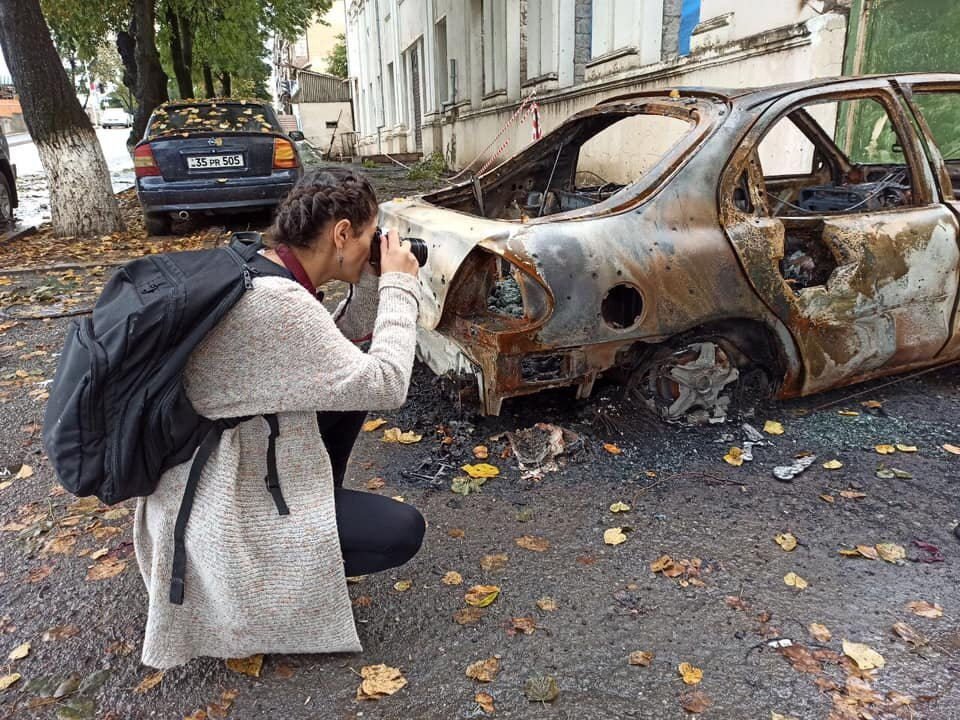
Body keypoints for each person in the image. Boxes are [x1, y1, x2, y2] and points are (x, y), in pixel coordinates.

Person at [133, 168, 425, 669]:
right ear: (340, 234)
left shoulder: (260, 265)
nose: (376, 245)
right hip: (217, 506)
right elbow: (387, 384)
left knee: (345, 397)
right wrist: (400, 286)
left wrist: (375, 280)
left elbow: (342, 360)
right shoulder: (280, 305)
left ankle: (317, 517)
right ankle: (286, 571)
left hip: (215, 466)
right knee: (402, 530)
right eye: (370, 235)